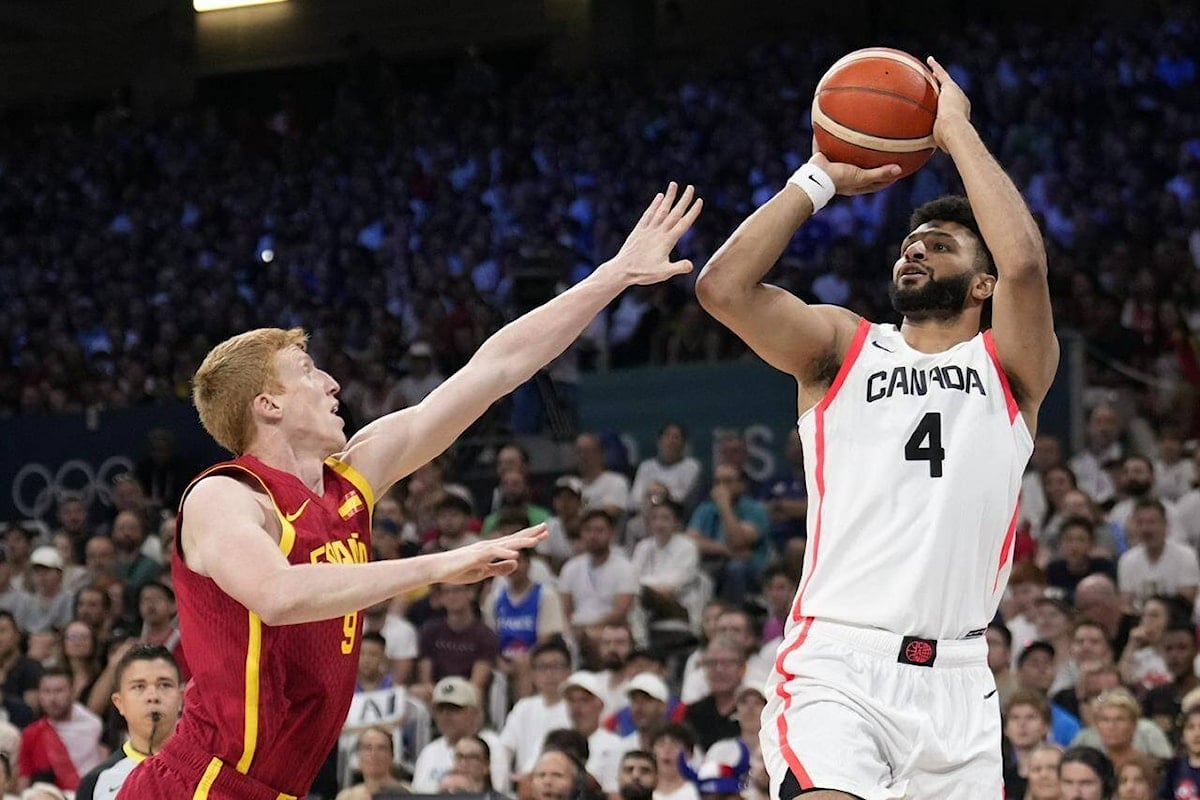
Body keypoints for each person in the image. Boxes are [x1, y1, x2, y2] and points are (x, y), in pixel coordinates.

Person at [118, 182, 701, 800]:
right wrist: (442, 564)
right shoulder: (224, 496)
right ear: (268, 405)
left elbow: (495, 369)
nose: (334, 383)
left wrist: (612, 276)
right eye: (310, 373)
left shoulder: (351, 481)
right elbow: (279, 595)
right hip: (200, 784)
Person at [696, 57, 1059, 799]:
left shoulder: (1011, 368)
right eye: (911, 242)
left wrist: (955, 132)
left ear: (980, 285)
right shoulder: (842, 346)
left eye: (942, 244)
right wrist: (817, 179)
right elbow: (723, 289)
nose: (916, 247)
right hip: (839, 661)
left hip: (959, 684)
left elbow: (1024, 264)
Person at [75, 645, 181, 800]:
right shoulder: (96, 783)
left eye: (164, 685)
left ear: (181, 698)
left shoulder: (209, 771)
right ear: (119, 703)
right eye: (139, 686)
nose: (153, 696)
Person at [18, 668, 103, 792]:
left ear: (72, 692)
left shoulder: (94, 726)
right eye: (47, 692)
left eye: (59, 691)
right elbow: (24, 781)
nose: (52, 698)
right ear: (39, 695)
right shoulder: (32, 733)